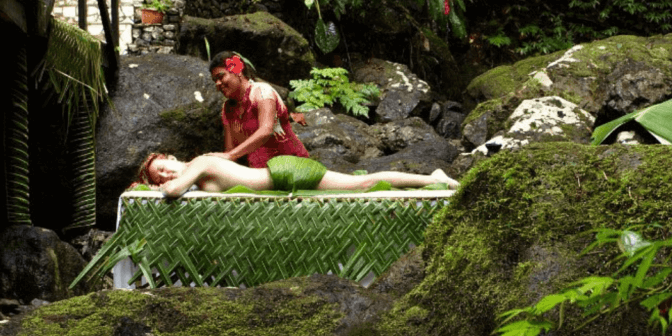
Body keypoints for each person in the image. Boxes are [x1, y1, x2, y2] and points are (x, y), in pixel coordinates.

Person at [134, 152, 459, 199]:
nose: (165, 176)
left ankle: (432, 178)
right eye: (159, 176)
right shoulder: (194, 171)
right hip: (280, 178)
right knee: (361, 183)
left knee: (364, 183)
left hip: (286, 175)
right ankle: (429, 178)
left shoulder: (199, 164)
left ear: (173, 158)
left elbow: (173, 192)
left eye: (163, 167)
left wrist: (151, 187)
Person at [208, 50, 309, 168]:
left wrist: (230, 155)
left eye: (221, 76)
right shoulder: (227, 109)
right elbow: (229, 150)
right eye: (215, 80)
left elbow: (266, 130)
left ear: (237, 70)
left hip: (293, 166)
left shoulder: (261, 92)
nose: (218, 84)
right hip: (259, 173)